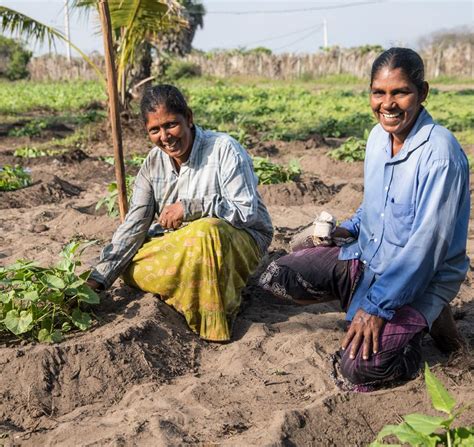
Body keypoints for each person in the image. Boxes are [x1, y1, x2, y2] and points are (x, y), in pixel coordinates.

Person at [259, 48, 470, 389]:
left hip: (421, 276)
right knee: (277, 276)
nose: (388, 103)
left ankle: (417, 330)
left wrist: (376, 307)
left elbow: (424, 250)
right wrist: (345, 229)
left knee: (359, 369)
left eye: (400, 92)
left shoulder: (440, 155)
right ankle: (371, 301)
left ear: (423, 93)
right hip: (371, 259)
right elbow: (375, 207)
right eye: (379, 92)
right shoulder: (377, 138)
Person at [87, 84, 273, 342]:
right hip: (184, 245)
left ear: (189, 117)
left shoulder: (224, 149)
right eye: (155, 130)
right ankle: (191, 283)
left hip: (239, 240)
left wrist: (191, 207)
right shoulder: (152, 163)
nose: (165, 136)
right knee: (130, 263)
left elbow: (246, 212)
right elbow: (133, 227)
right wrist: (97, 280)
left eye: (171, 125)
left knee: (206, 232)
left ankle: (212, 324)